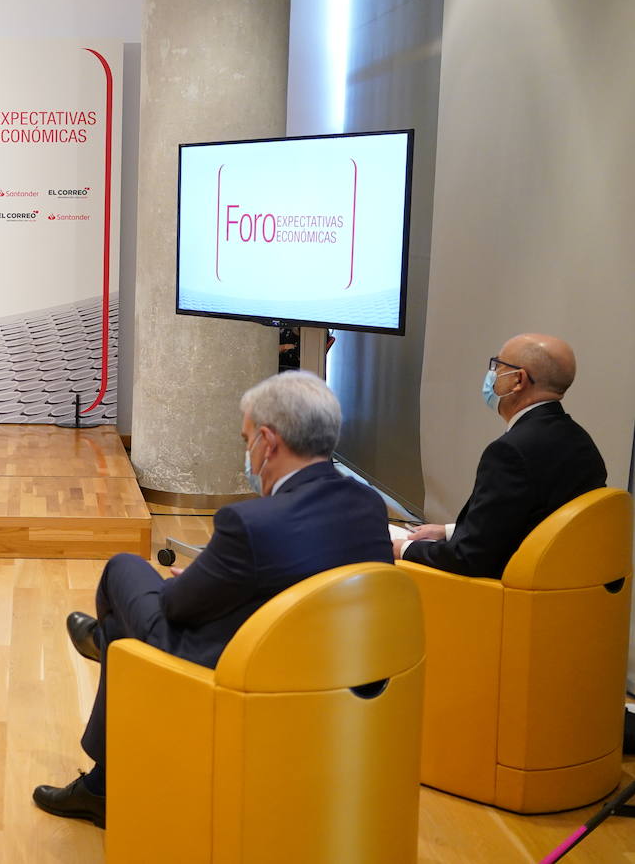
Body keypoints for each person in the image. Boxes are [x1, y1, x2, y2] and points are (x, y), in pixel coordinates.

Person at [33, 371, 392, 828]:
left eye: (246, 440)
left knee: (125, 571)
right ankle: (101, 756)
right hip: (333, 677)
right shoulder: (367, 505)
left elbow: (176, 610)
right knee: (143, 614)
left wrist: (194, 583)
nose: (247, 453)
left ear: (267, 442)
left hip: (241, 677)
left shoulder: (250, 523)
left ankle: (107, 656)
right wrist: (216, 578)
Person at [395, 333, 606, 577]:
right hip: (560, 586)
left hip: (506, 593)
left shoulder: (511, 452)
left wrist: (405, 548)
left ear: (518, 379)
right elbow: (528, 524)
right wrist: (449, 531)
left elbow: (470, 560)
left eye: (497, 365)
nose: (492, 375)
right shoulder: (580, 440)